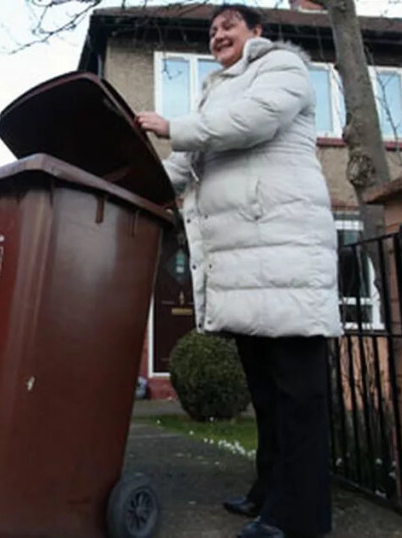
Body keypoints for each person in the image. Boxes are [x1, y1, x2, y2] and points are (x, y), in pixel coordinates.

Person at [137, 4, 342, 538]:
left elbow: (252, 122)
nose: (217, 34)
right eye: (211, 30)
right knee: (268, 394)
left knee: (298, 397)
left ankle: (299, 520)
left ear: (257, 32)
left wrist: (174, 125)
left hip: (286, 255)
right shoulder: (213, 96)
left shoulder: (281, 68)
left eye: (228, 25)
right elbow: (183, 166)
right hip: (245, 263)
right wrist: (132, 182)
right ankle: (269, 495)